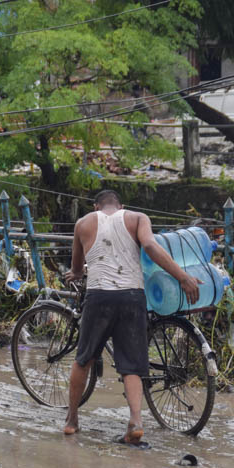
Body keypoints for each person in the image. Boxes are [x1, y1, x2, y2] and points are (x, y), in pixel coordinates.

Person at [63, 189, 201, 443]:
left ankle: (72, 420)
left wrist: (76, 273)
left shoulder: (82, 223)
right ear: (121, 206)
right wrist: (182, 277)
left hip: (99, 297)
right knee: (132, 365)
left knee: (84, 359)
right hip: (131, 297)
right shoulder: (138, 218)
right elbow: (149, 245)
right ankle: (136, 422)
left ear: (96, 207)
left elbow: (77, 268)